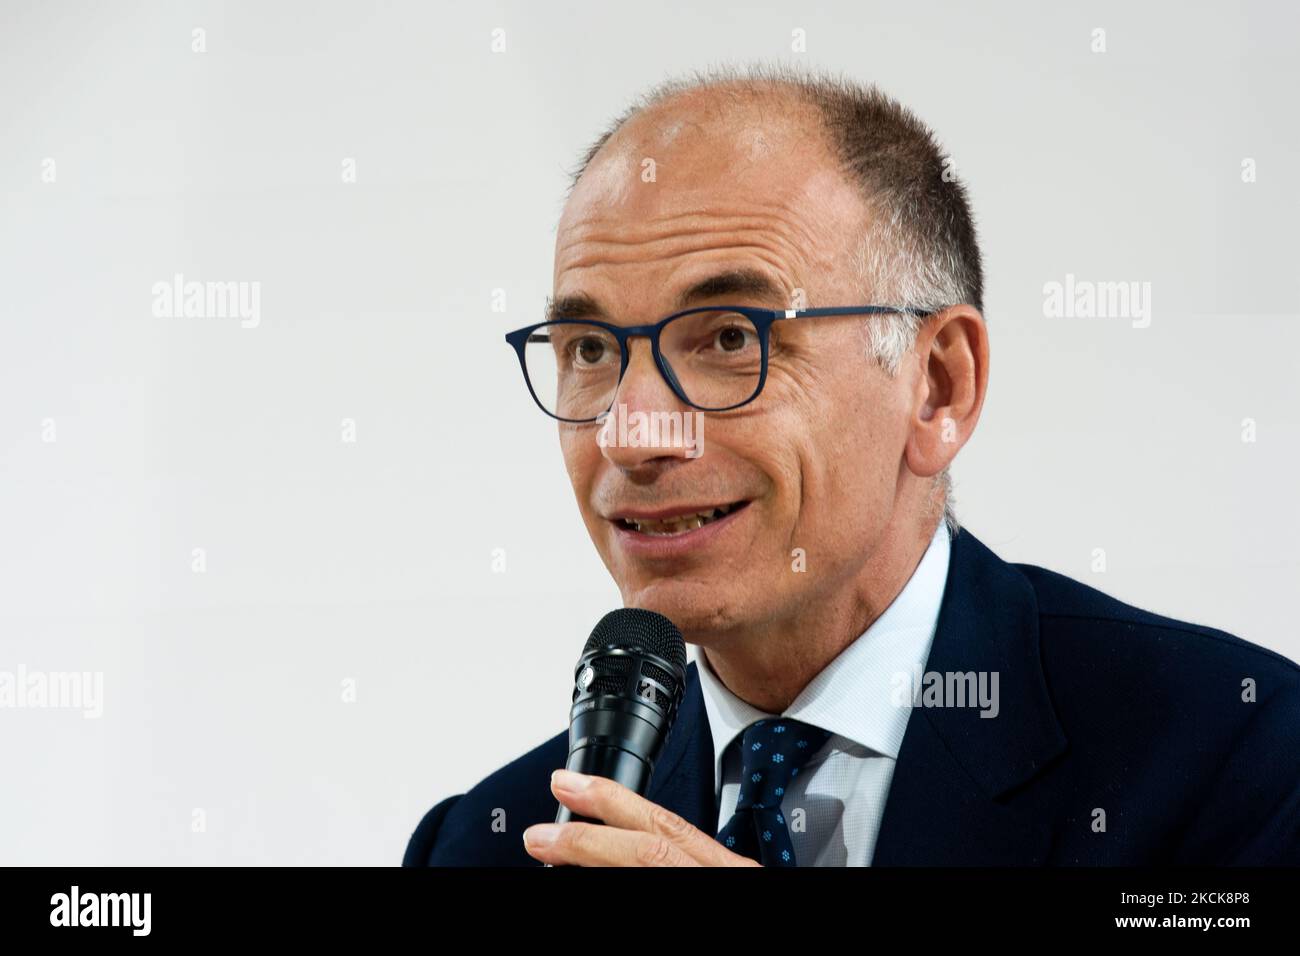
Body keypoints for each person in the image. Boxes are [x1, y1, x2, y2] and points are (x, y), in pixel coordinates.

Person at [405, 63, 1300, 866]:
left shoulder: (1234, 758)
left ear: (938, 387)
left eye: (728, 337)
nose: (632, 434)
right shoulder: (485, 842)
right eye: (591, 349)